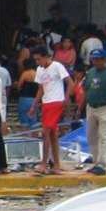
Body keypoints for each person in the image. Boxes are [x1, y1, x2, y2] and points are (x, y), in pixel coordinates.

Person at [31, 46, 70, 175]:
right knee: (52, 133)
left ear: (46, 56)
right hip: (46, 102)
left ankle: (44, 163)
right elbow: (40, 90)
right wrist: (34, 106)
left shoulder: (57, 66)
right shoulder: (39, 70)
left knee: (45, 131)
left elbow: (70, 82)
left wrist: (66, 98)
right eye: (36, 60)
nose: (38, 62)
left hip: (56, 102)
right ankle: (56, 165)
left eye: (39, 59)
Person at [82, 49, 106, 176]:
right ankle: (96, 160)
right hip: (92, 107)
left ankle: (102, 163)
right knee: (91, 135)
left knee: (103, 135)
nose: (95, 62)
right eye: (93, 59)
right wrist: (80, 108)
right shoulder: (91, 73)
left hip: (105, 106)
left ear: (104, 60)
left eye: (97, 59)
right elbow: (86, 89)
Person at [15, 58, 38, 129]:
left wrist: (16, 84)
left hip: (24, 98)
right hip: (34, 99)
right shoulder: (37, 73)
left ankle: (24, 138)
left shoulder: (25, 73)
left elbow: (19, 86)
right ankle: (35, 139)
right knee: (34, 122)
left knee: (24, 122)